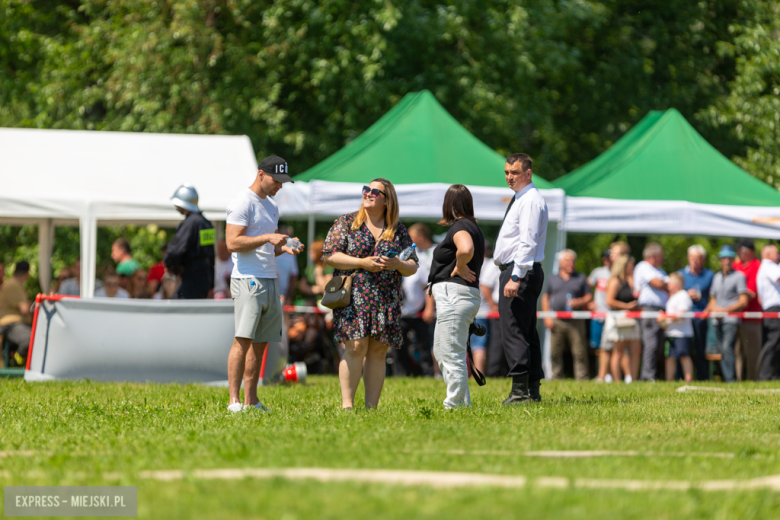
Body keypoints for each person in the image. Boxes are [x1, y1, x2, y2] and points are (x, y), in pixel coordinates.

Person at [322, 179, 418, 409]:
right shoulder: (346, 222)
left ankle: (371, 408)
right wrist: (362, 262)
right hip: (353, 296)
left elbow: (413, 266)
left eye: (376, 192)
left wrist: (396, 263)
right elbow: (329, 255)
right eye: (367, 190)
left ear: (387, 200)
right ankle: (347, 406)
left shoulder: (397, 228)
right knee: (355, 347)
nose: (369, 194)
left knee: (378, 351)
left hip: (386, 298)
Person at [225, 155, 304, 412]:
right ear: (261, 174)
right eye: (276, 180)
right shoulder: (241, 202)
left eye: (283, 181)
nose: (280, 185)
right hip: (247, 279)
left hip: (271, 280)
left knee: (260, 344)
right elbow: (232, 243)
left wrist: (285, 248)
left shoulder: (271, 206)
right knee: (243, 340)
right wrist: (268, 237)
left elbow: (266, 248)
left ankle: (252, 401)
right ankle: (233, 401)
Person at [493, 153, 547, 404]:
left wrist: (515, 275)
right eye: (506, 172)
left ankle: (520, 391)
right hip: (522, 269)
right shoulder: (522, 199)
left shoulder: (530, 200)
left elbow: (527, 240)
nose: (509, 177)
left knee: (514, 330)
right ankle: (531, 389)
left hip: (520, 269)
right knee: (524, 329)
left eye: (514, 172)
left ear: (528, 173)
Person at [427, 185, 485, 408]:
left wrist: (460, 266)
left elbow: (466, 249)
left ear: (449, 204)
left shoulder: (460, 226)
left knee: (450, 353)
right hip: (459, 296)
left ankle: (454, 405)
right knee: (444, 351)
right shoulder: (472, 226)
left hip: (456, 295)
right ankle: (463, 404)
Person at [542, 249, 592, 380]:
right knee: (555, 352)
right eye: (567, 261)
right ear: (560, 263)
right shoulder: (552, 278)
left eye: (573, 261)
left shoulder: (580, 278)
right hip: (557, 320)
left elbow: (589, 296)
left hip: (576, 320)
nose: (571, 263)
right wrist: (547, 316)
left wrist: (579, 301)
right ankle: (556, 377)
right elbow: (545, 298)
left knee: (579, 351)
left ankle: (582, 378)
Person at [164, 184, 216, 299]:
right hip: (205, 280)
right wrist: (211, 284)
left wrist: (169, 264)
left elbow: (175, 251)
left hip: (191, 279)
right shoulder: (207, 224)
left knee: (177, 310)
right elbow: (211, 256)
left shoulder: (190, 223)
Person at [706, 245, 748, 383]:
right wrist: (713, 309)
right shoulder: (716, 277)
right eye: (724, 258)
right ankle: (727, 378)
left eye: (729, 258)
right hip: (716, 319)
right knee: (721, 350)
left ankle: (731, 379)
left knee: (727, 348)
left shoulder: (739, 276)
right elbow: (713, 299)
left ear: (733, 259)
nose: (726, 261)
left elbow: (743, 301)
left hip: (731, 319)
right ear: (720, 260)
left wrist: (725, 311)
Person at [633, 242, 669, 381]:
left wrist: (666, 285)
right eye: (661, 256)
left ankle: (653, 374)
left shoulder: (660, 271)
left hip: (661, 311)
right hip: (649, 310)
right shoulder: (643, 266)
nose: (663, 259)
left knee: (659, 345)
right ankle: (647, 376)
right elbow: (659, 283)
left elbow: (669, 285)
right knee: (651, 344)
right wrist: (666, 285)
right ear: (654, 256)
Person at [678, 244, 714, 380]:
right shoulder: (680, 274)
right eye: (692, 257)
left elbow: (714, 297)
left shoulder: (709, 275)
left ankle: (702, 377)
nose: (695, 260)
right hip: (684, 318)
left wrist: (706, 311)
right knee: (683, 350)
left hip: (701, 318)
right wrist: (685, 294)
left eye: (698, 258)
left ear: (703, 259)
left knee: (701, 349)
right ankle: (681, 377)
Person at [407, 223, 437, 376]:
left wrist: (430, 307)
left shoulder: (437, 252)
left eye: (411, 236)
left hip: (435, 302)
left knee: (433, 342)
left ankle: (434, 373)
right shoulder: (411, 254)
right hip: (416, 306)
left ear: (420, 237)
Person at [604, 255, 640, 382]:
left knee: (635, 349)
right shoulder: (615, 281)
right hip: (618, 320)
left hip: (631, 319)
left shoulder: (629, 280)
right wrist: (626, 306)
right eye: (630, 265)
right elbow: (609, 301)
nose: (632, 268)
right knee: (618, 351)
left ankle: (633, 379)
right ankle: (617, 380)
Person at [733, 238, 762, 380]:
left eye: (740, 251)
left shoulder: (757, 266)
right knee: (736, 352)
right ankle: (737, 381)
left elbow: (752, 293)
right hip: (735, 317)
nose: (738, 253)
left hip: (751, 317)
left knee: (752, 353)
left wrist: (736, 297)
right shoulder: (736, 266)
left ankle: (753, 380)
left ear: (749, 252)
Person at [659, 272, 695, 382]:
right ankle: (669, 380)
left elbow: (681, 315)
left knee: (684, 356)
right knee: (670, 357)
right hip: (671, 333)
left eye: (670, 284)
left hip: (682, 333)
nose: (668, 286)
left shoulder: (683, 296)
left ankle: (688, 379)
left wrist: (664, 317)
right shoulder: (673, 297)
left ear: (676, 285)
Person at [479, 240, 506, 377]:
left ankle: (498, 372)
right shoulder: (493, 264)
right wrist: (492, 305)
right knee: (496, 343)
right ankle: (493, 373)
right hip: (494, 309)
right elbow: (485, 285)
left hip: (493, 308)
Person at [0, 261, 33, 365]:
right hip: (9, 324)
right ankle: (15, 365)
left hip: (13, 324)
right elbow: (25, 309)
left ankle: (16, 363)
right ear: (27, 274)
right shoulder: (13, 285)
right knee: (30, 339)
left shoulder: (14, 285)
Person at [756, 244, 780, 380]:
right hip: (774, 309)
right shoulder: (768, 265)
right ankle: (766, 375)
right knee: (774, 342)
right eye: (777, 253)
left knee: (776, 343)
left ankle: (773, 374)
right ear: (768, 255)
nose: (778, 256)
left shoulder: (765, 267)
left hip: (771, 308)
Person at [588, 250, 612, 381]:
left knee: (610, 347)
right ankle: (600, 373)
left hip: (611, 315)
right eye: (605, 258)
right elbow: (586, 286)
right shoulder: (598, 272)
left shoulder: (617, 272)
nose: (607, 260)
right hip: (598, 315)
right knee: (597, 347)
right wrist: (589, 301)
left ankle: (607, 375)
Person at [275, 225, 300, 304]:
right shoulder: (270, 249)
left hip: (283, 295)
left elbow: (294, 275)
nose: (287, 239)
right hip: (269, 292)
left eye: (289, 237)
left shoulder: (291, 254)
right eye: (285, 236)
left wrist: (289, 294)